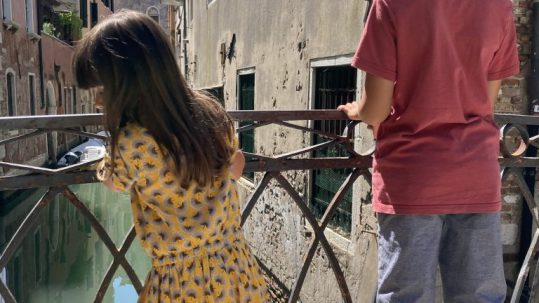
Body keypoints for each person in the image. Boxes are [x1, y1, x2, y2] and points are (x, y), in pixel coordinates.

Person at [73, 10, 269, 303]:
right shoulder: (210, 112)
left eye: (101, 90)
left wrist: (105, 161)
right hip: (235, 271)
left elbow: (115, 182)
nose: (97, 101)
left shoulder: (131, 141)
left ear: (127, 82)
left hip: (181, 285)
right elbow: (236, 163)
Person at [338, 0, 519, 301]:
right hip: (476, 174)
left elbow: (376, 110)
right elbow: (485, 104)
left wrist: (358, 109)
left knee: (405, 296)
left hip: (411, 176)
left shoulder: (391, 4)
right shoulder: (499, 6)